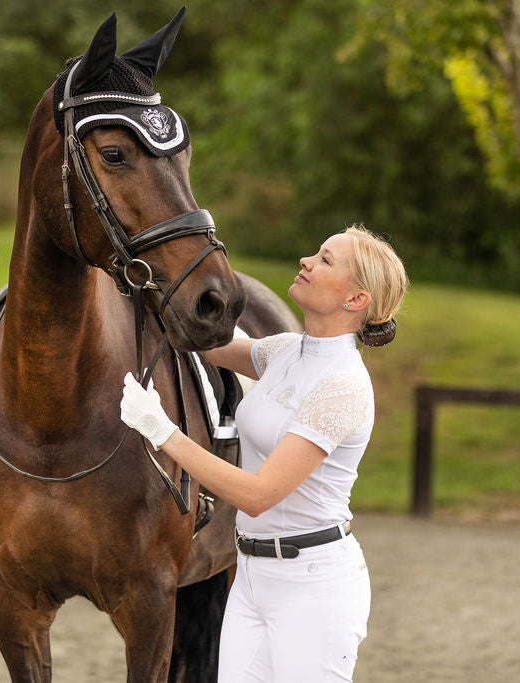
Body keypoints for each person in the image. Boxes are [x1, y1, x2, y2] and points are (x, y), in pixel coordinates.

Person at [120, 223, 408, 682]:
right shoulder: (286, 351)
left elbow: (257, 494)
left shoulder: (342, 386)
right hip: (252, 576)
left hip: (313, 586)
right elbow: (204, 342)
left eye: (325, 260)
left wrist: (163, 432)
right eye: (316, 251)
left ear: (355, 300)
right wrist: (156, 270)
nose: (306, 261)